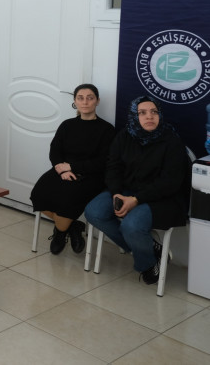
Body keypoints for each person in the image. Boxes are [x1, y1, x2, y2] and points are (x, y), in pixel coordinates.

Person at [84, 96, 192, 285]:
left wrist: (136, 199)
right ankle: (150, 249)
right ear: (134, 116)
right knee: (94, 212)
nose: (149, 116)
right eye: (142, 113)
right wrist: (116, 192)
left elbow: (170, 182)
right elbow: (113, 167)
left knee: (131, 226)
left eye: (153, 112)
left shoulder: (172, 141)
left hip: (162, 198)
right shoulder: (124, 136)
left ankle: (147, 263)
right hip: (126, 190)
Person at [29, 84, 116, 254]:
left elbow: (104, 161)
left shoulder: (107, 129)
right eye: (80, 98)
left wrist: (72, 167)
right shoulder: (67, 125)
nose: (85, 102)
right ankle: (73, 226)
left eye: (90, 98)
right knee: (38, 194)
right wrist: (63, 170)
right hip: (63, 171)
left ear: (97, 101)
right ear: (75, 101)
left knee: (69, 198)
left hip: (92, 175)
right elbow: (55, 151)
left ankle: (60, 234)